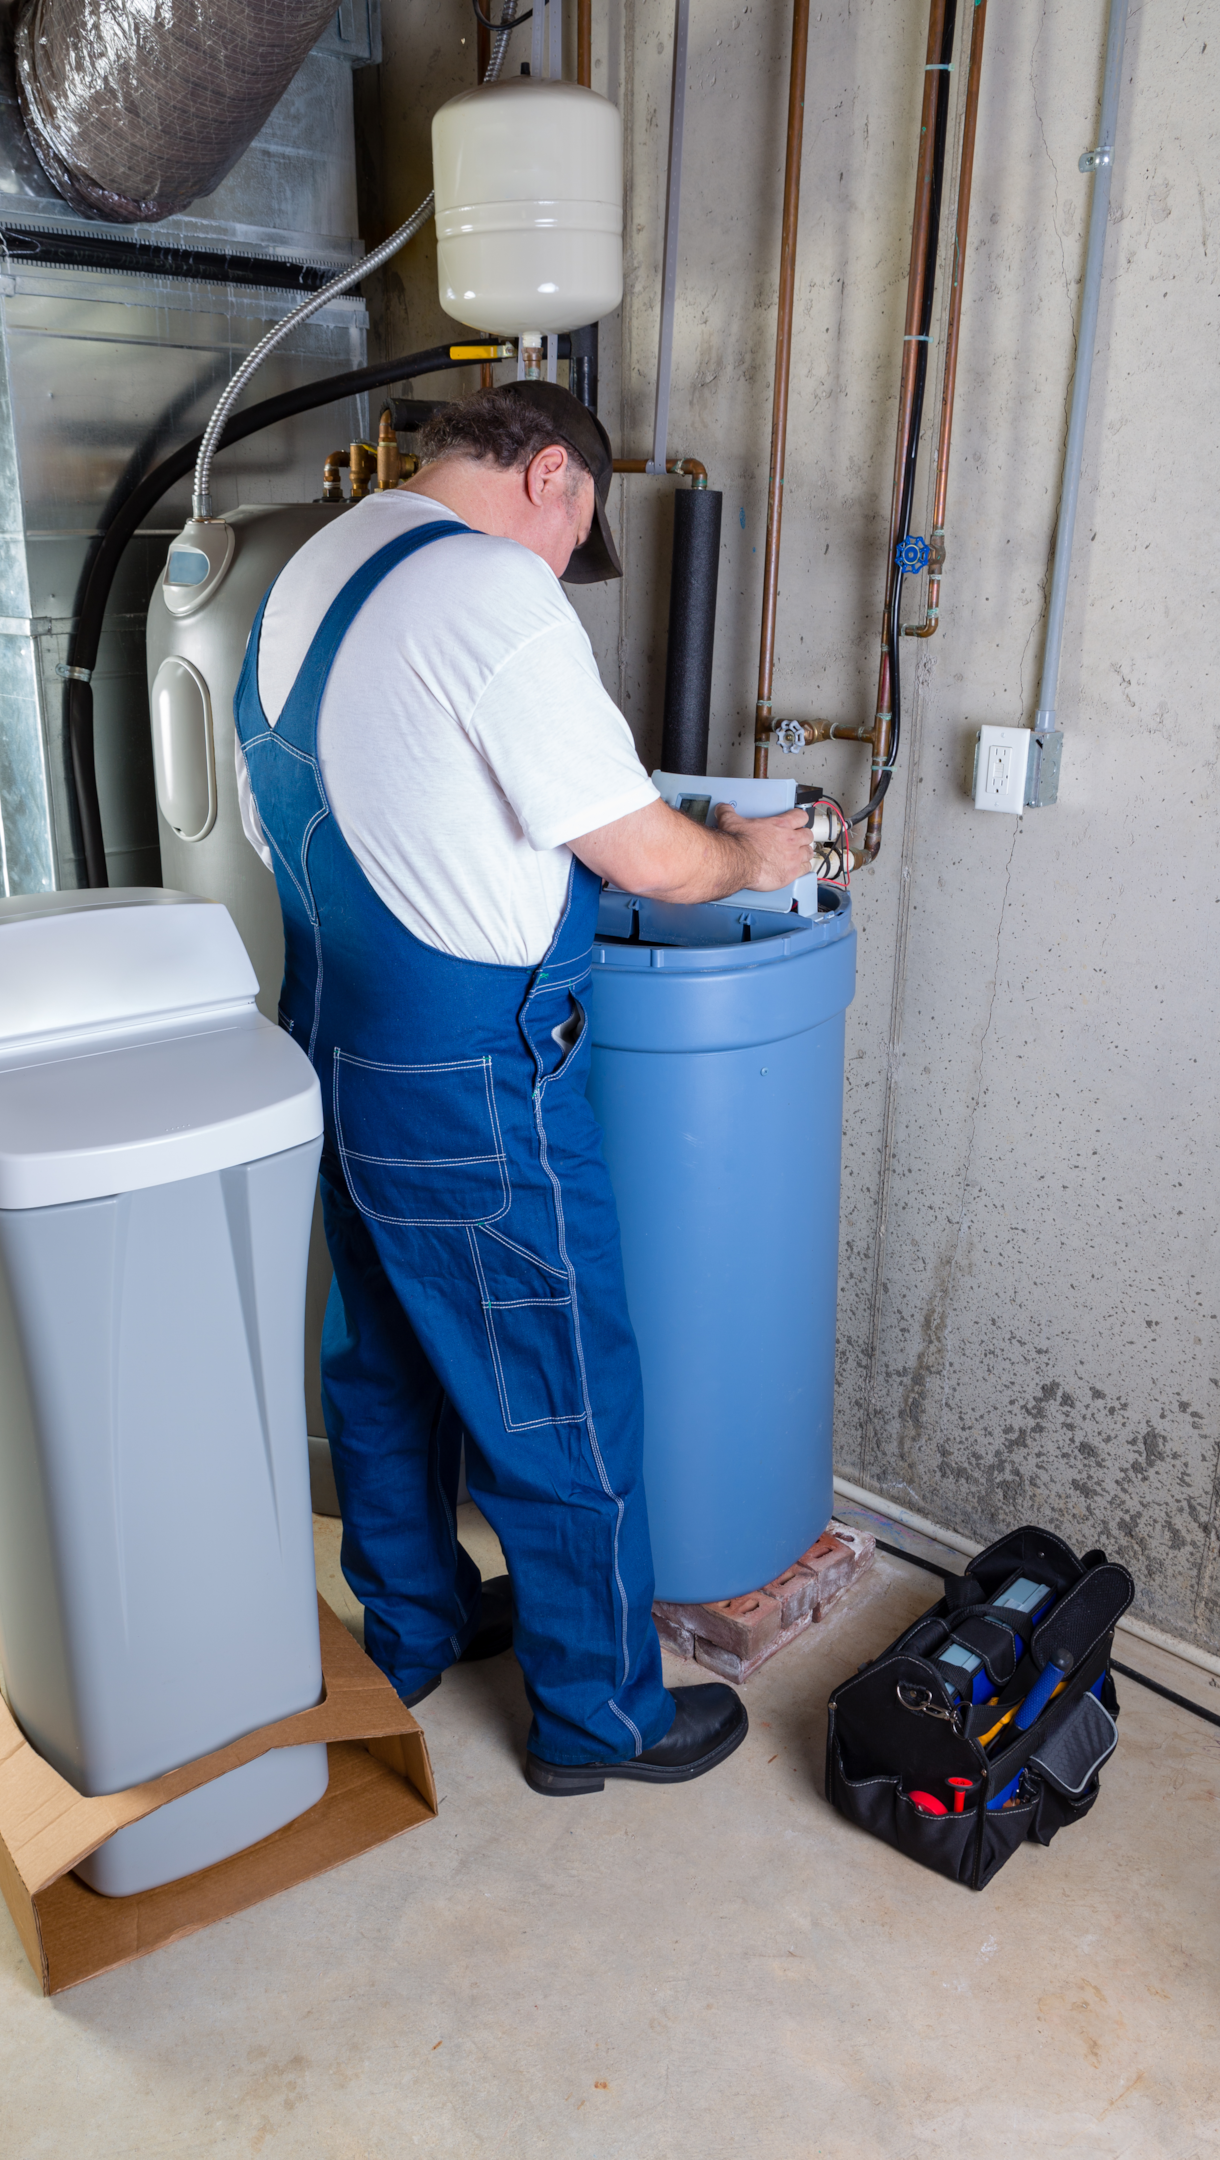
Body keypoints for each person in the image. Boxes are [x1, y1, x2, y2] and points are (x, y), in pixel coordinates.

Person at [234, 381, 813, 1795]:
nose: (565, 569)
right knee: (557, 1384)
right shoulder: (492, 587)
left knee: (383, 1362)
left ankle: (417, 1629)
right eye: (577, 536)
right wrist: (758, 856)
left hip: (330, 1040)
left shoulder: (318, 560)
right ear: (552, 476)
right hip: (470, 1075)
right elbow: (650, 863)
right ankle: (599, 1719)